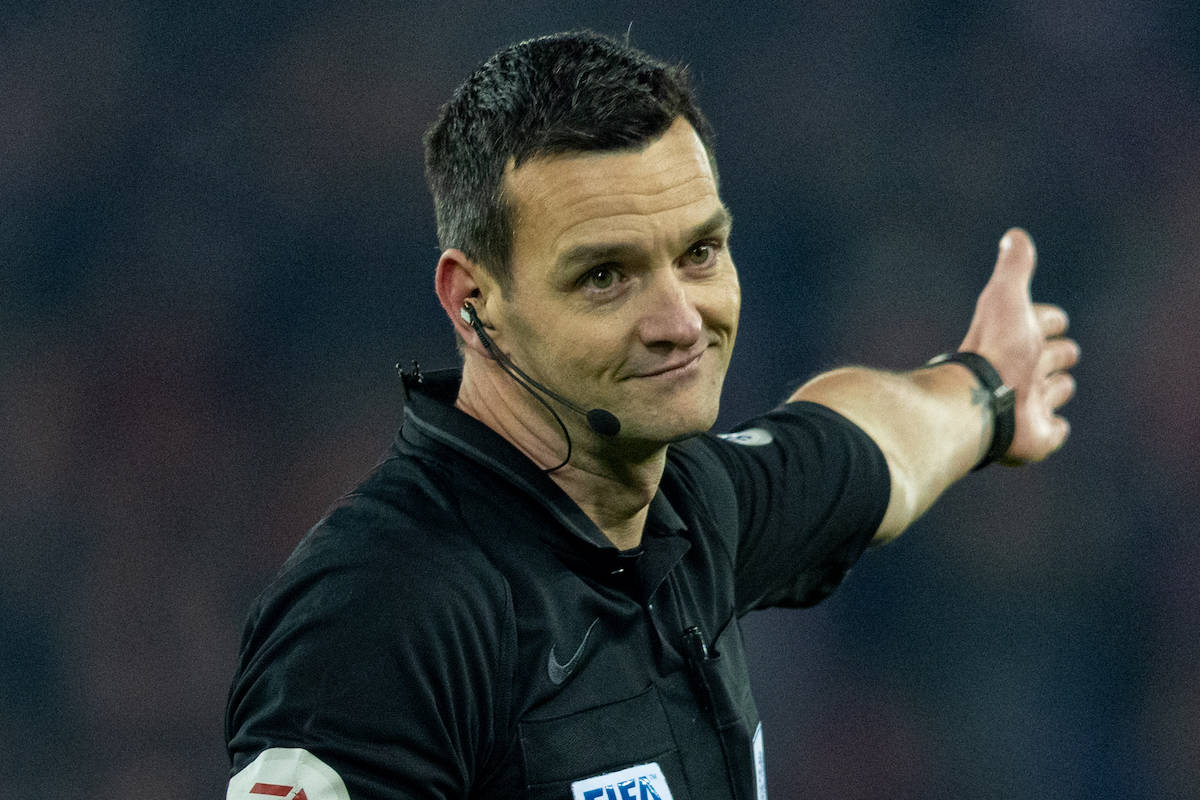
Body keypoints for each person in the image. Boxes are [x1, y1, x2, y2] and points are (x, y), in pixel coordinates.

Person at [224, 30, 1078, 800]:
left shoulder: (687, 510)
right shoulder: (382, 615)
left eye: (700, 253)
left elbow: (871, 439)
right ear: (473, 301)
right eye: (606, 276)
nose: (680, 322)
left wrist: (988, 392)